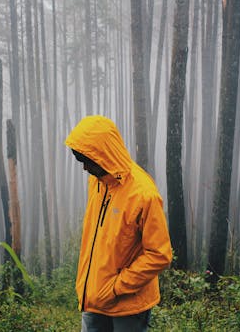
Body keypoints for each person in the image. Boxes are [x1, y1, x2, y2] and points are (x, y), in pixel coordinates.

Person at [65, 115, 172, 332]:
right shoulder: (97, 182)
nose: (85, 168)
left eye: (87, 160)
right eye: (80, 160)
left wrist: (116, 288)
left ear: (103, 155)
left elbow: (160, 254)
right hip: (93, 299)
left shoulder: (143, 194)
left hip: (128, 306)